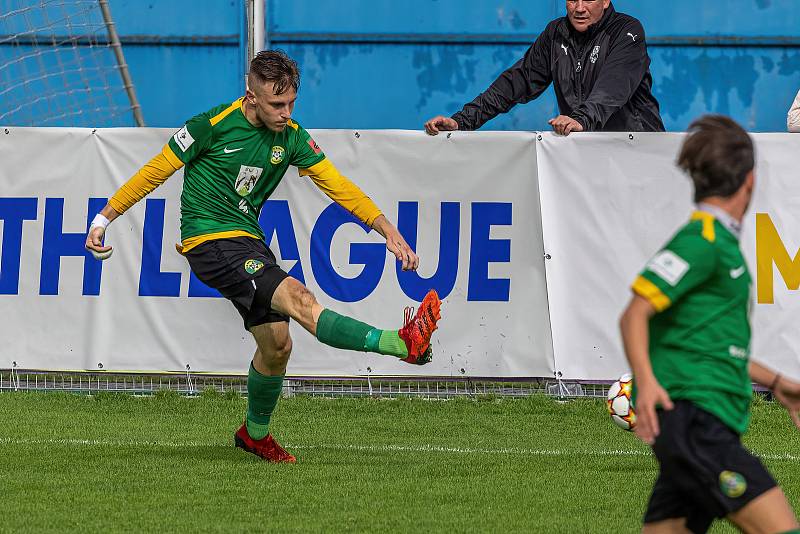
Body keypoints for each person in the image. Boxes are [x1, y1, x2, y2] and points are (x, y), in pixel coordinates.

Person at [85, 50, 442, 463]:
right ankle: (399, 344)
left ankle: (254, 435)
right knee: (300, 300)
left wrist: (388, 230)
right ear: (250, 95)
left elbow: (338, 186)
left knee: (277, 345)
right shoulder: (210, 126)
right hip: (209, 240)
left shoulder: (291, 137)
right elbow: (155, 171)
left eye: (291, 102)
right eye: (276, 104)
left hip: (248, 242)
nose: (285, 112)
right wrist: (102, 218)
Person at [619, 115, 800, 533]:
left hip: (697, 427)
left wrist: (776, 382)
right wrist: (645, 384)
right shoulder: (701, 241)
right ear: (750, 181)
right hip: (697, 425)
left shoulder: (716, 242)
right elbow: (634, 314)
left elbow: (712, 344)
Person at [424, 0, 664, 137]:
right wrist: (462, 121)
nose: (579, 8)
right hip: (588, 153)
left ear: (606, 0)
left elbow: (613, 87)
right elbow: (516, 82)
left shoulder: (627, 30)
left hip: (637, 152)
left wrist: (580, 119)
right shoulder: (555, 33)